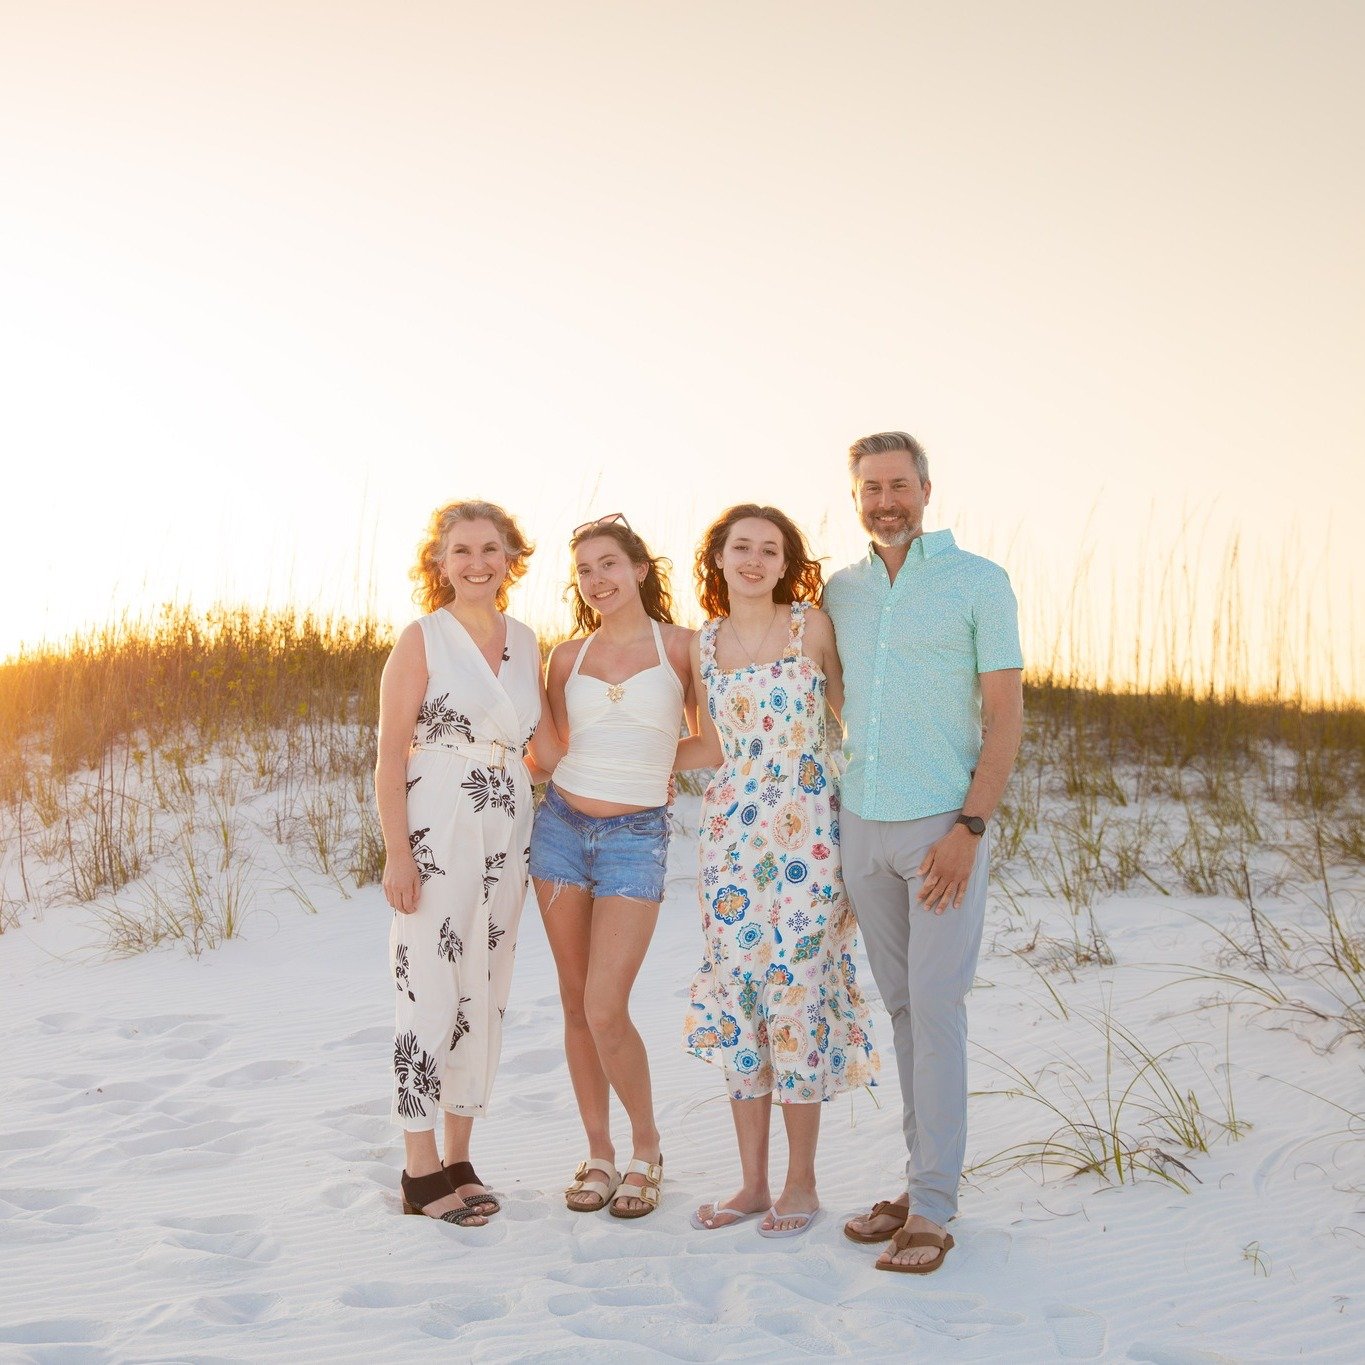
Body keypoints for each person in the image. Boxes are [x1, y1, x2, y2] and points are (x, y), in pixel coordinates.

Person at [825, 432, 1023, 1273]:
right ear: (856, 496)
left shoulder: (979, 582)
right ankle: (920, 1179)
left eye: (898, 485)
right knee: (903, 1010)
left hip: (942, 829)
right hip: (859, 825)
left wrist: (968, 829)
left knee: (936, 1010)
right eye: (870, 488)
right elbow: (828, 703)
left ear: (927, 489)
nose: (884, 502)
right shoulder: (841, 591)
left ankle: (934, 1207)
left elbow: (1005, 717)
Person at [677, 504, 880, 1238]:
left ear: (785, 561)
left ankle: (802, 1182)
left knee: (796, 996)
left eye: (769, 549)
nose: (754, 559)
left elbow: (853, 722)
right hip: (731, 841)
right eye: (741, 547)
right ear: (720, 558)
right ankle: (753, 1183)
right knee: (742, 1000)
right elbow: (708, 747)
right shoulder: (701, 643)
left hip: (810, 838)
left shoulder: (810, 628)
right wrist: (628, 770)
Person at [375, 500, 562, 1225]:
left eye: (491, 548)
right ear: (440, 562)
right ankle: (419, 1168)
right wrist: (398, 851)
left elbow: (537, 751)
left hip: (505, 830)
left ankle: (459, 1154)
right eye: (461, 550)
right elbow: (391, 755)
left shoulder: (525, 639)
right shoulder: (422, 638)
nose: (477, 561)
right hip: (437, 827)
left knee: (485, 987)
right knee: (428, 987)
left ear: (512, 557)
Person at [530, 514, 696, 1218]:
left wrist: (654, 768)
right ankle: (598, 1152)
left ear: (638, 569)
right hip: (560, 830)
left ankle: (646, 1146)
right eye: (584, 571)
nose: (597, 580)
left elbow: (710, 744)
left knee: (606, 1004)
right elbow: (547, 752)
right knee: (574, 1002)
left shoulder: (684, 649)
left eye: (608, 564)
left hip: (635, 836)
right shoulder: (565, 658)